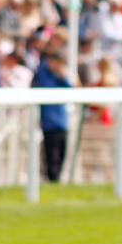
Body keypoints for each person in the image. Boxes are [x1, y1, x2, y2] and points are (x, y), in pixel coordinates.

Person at [32, 50, 72, 183]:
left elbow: (71, 90)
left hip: (62, 121)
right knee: (51, 155)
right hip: (49, 122)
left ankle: (57, 180)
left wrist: (62, 75)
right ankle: (52, 180)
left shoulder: (59, 77)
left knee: (62, 153)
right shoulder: (43, 74)